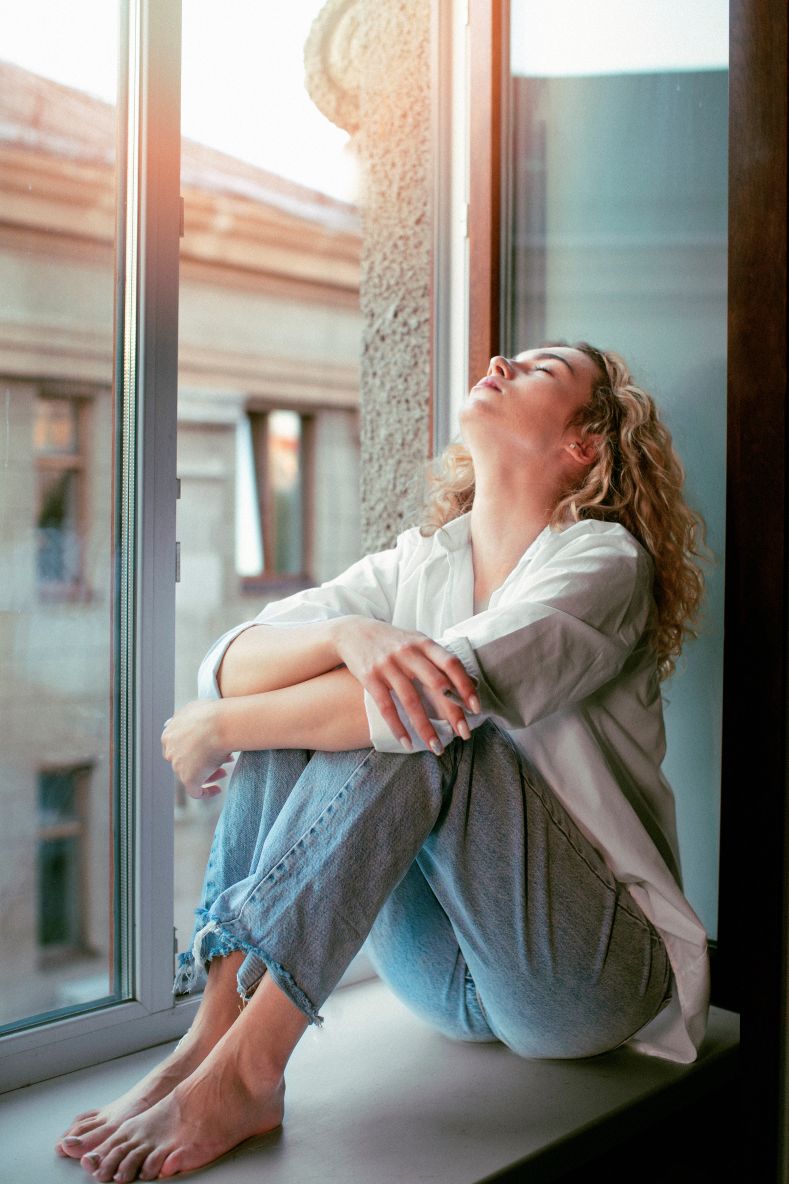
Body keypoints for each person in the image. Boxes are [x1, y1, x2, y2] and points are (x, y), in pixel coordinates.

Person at [56, 342, 709, 1182]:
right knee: (349, 687)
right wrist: (343, 635)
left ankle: (253, 1072)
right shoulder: (416, 564)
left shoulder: (601, 563)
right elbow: (232, 659)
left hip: (583, 977)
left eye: (541, 370)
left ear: (583, 443)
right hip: (441, 972)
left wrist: (220, 725)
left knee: (422, 713)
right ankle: (211, 1034)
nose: (503, 359)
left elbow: (428, 704)